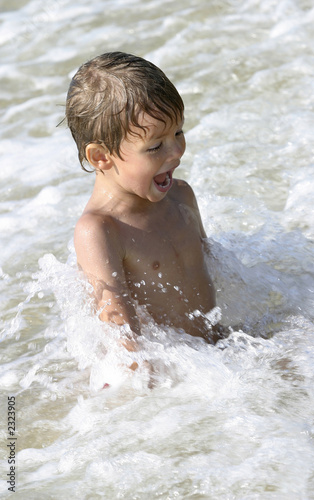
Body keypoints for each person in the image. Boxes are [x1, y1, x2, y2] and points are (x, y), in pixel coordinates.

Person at [66, 51, 227, 356]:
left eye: (179, 132)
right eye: (155, 146)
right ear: (101, 157)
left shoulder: (182, 195)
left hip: (217, 351)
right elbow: (122, 339)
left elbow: (217, 271)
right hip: (175, 374)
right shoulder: (100, 230)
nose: (176, 151)